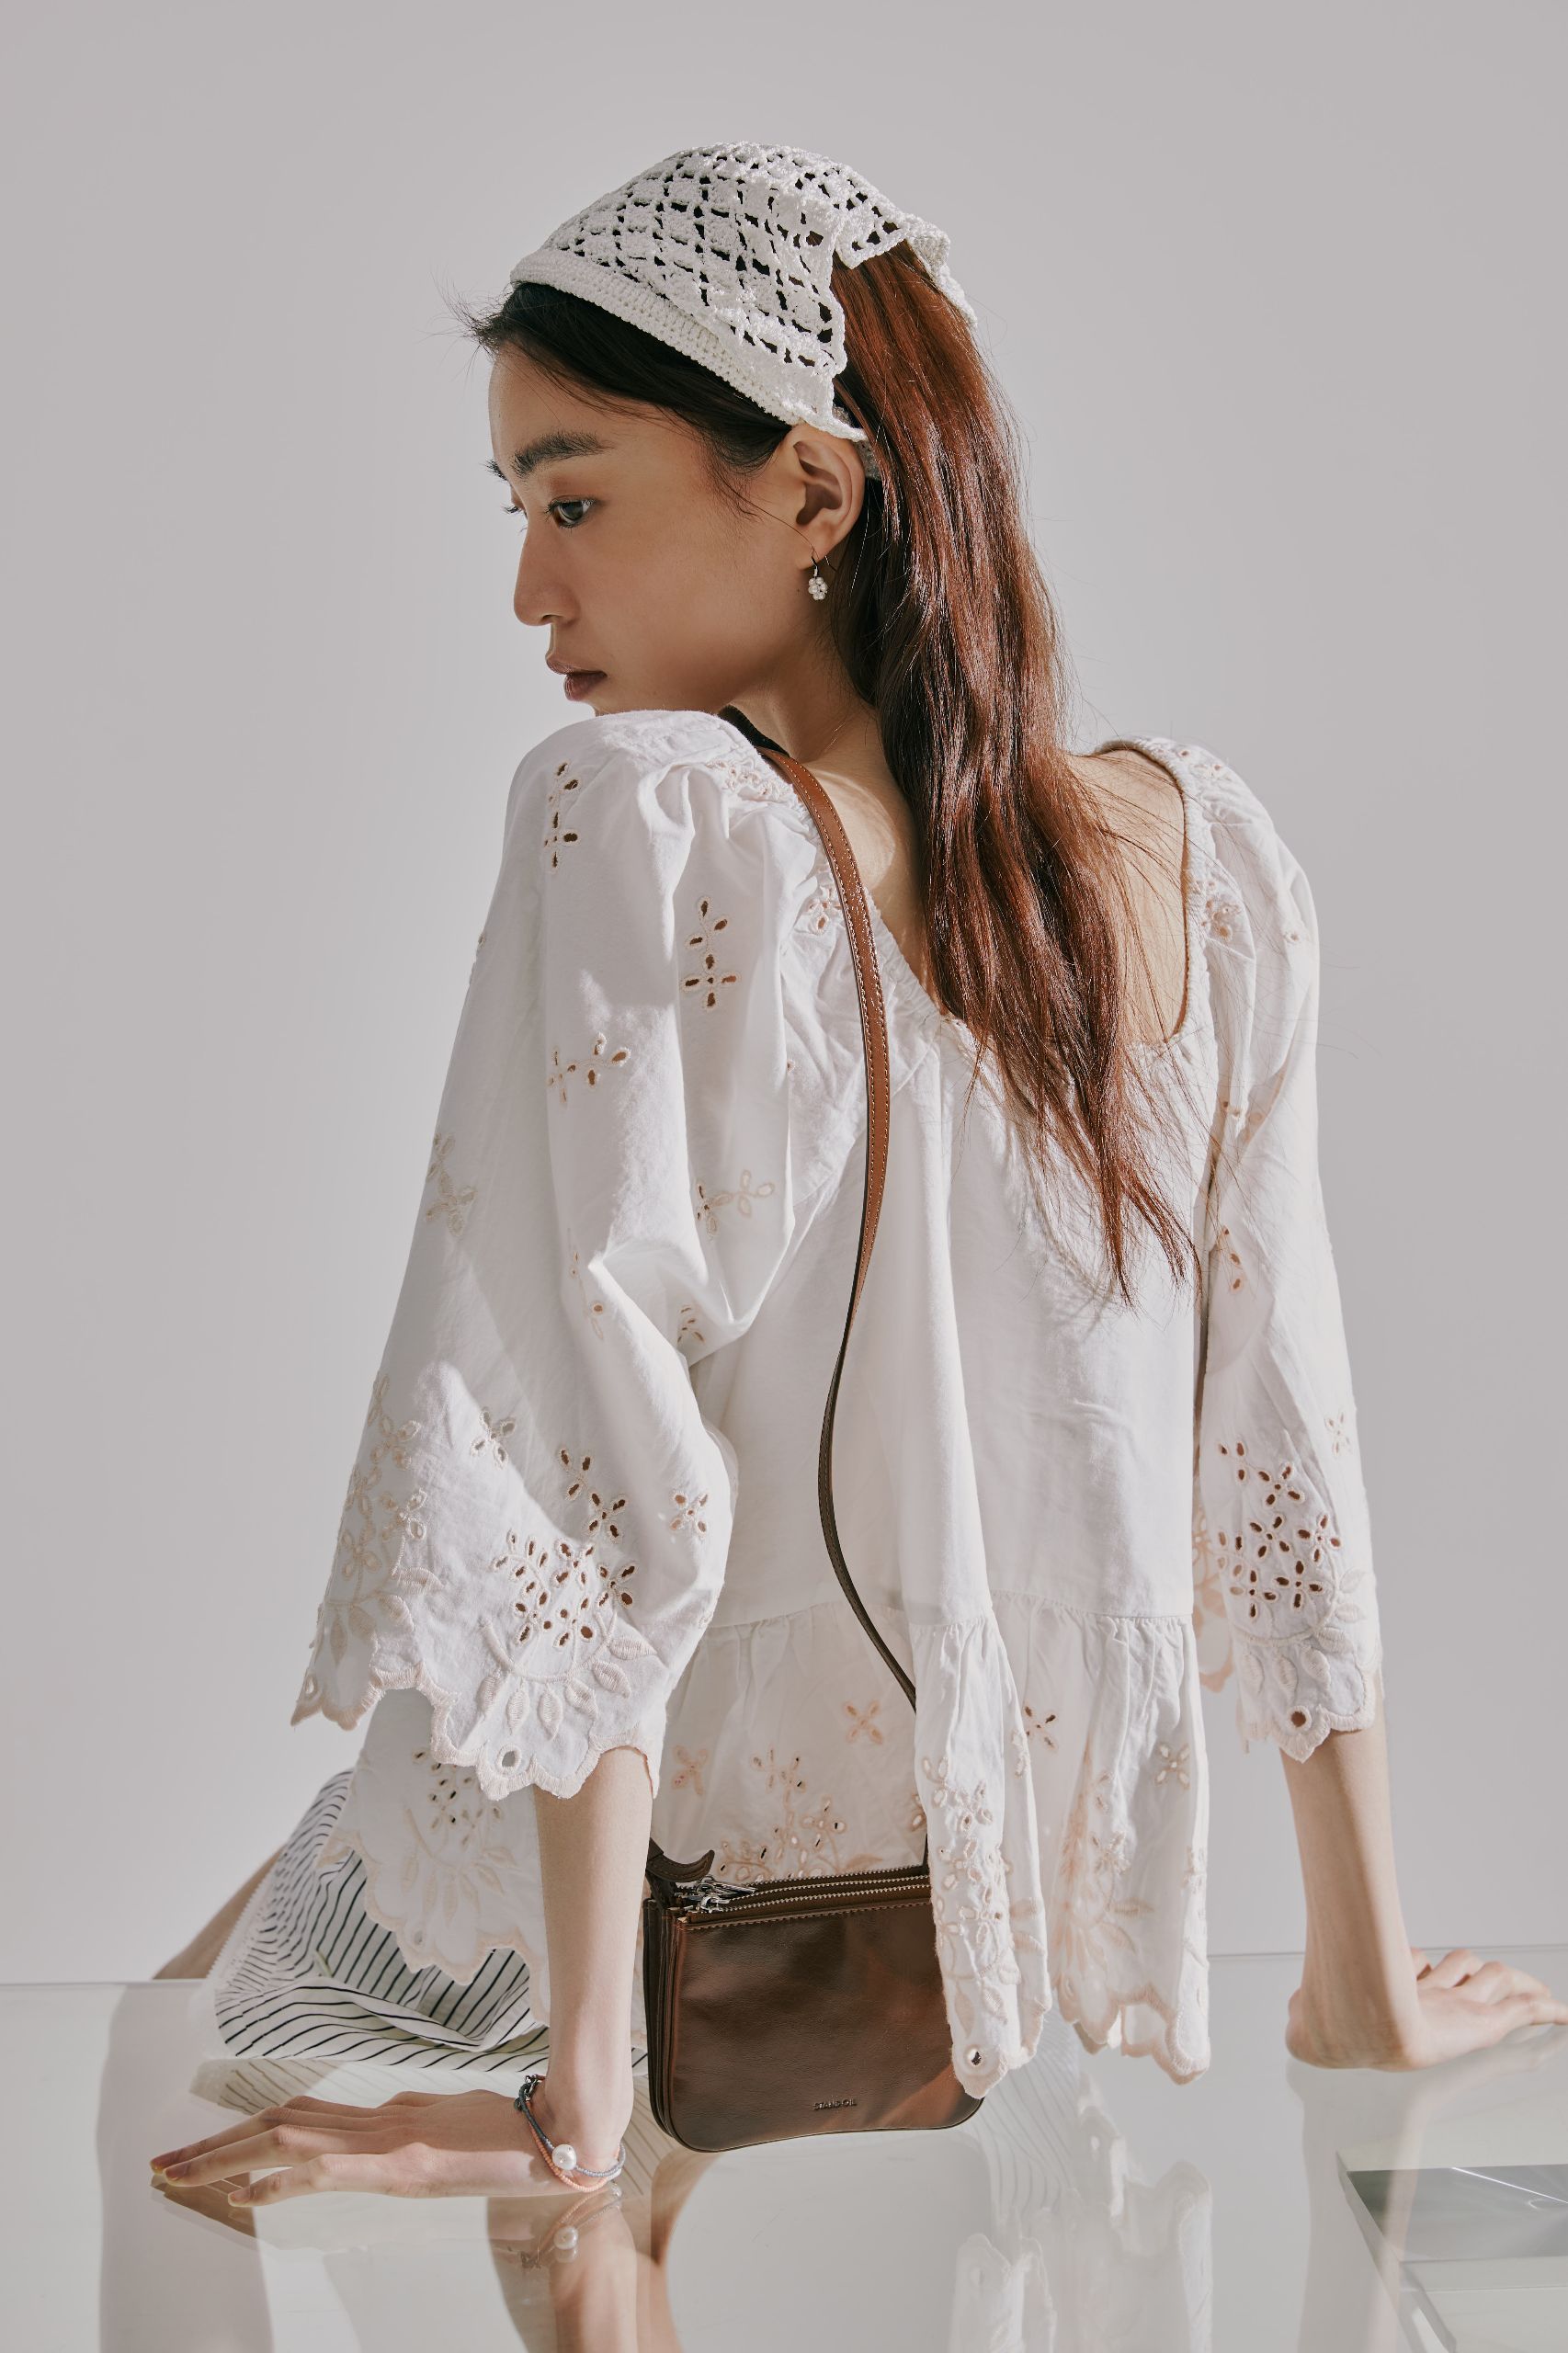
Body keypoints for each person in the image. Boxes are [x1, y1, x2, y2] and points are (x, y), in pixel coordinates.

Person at [150, 142, 1567, 2211]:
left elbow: (589, 1469)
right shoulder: (1198, 860)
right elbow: (1280, 1436)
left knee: (138, 2115)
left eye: (570, 499)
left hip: (620, 1936)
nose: (529, 591)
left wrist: (573, 2097)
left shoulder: (648, 819)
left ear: (814, 494)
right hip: (946, 1947)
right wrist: (1356, 1976)